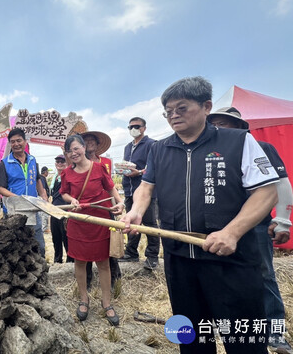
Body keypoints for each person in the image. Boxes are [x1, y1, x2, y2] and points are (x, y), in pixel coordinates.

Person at [123, 77, 279, 353]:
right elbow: (146, 188)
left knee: (244, 341)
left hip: (232, 260)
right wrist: (136, 212)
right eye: (168, 111)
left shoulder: (239, 141)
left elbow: (266, 193)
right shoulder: (160, 150)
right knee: (191, 338)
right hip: (179, 261)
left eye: (181, 108)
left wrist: (232, 232)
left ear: (206, 106)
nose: (173, 116)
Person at [208, 106, 293, 353]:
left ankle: (276, 334)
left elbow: (281, 183)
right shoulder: (210, 153)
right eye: (216, 124)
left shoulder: (262, 148)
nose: (220, 129)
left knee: (264, 275)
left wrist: (284, 219)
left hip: (255, 226)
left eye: (227, 124)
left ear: (241, 128)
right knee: (222, 276)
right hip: (218, 226)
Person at [60, 135, 124, 325]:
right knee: (79, 262)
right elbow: (63, 192)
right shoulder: (66, 174)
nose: (74, 153)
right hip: (78, 221)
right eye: (70, 151)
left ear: (83, 147)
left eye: (76, 148)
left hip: (100, 221)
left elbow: (111, 188)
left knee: (103, 263)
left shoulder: (98, 168)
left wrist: (120, 203)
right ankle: (84, 299)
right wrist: (71, 200)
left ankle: (106, 302)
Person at [0, 128, 48, 256]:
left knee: (38, 245)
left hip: (32, 209)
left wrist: (43, 194)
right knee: (16, 247)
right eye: (12, 142)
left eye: (19, 140)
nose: (16, 144)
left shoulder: (32, 160)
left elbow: (37, 179)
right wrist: (18, 198)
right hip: (14, 211)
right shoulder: (5, 163)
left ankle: (40, 270)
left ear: (25, 142)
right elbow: (1, 188)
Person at [80, 131, 121, 289]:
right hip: (86, 209)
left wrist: (118, 202)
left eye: (92, 141)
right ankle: (87, 281)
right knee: (87, 244)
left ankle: (114, 278)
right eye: (86, 141)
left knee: (109, 243)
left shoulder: (106, 162)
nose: (90, 143)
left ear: (98, 145)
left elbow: (110, 185)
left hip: (105, 208)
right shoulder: (76, 163)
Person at [119, 117, 160, 270]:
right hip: (129, 189)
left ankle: (152, 256)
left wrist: (139, 172)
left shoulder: (152, 144)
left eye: (136, 126)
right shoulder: (128, 147)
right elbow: (125, 165)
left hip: (145, 191)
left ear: (144, 128)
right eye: (130, 127)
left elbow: (154, 167)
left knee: (150, 223)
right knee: (131, 223)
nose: (133, 129)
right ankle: (131, 252)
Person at [49, 154, 73, 263]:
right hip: (54, 209)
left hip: (65, 210)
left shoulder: (68, 176)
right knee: (55, 236)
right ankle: (57, 259)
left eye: (62, 161)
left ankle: (70, 259)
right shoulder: (54, 178)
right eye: (57, 161)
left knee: (66, 236)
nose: (59, 164)